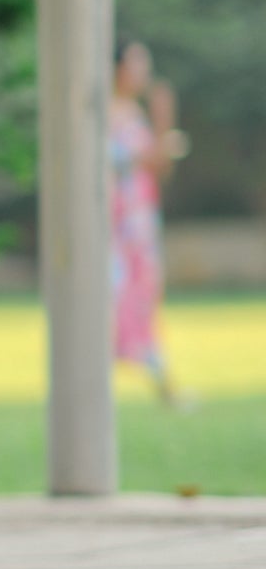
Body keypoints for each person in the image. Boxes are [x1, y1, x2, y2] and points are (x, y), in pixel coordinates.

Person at [111, 40, 185, 407]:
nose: (142, 74)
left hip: (138, 224)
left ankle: (163, 384)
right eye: (137, 65)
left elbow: (158, 167)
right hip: (113, 226)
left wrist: (162, 124)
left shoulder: (135, 114)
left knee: (142, 298)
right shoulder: (101, 114)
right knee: (111, 301)